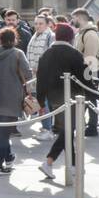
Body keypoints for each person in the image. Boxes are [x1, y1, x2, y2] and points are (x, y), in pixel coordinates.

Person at [35, 23, 86, 179]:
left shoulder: (46, 54)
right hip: (73, 98)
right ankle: (51, 162)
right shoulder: (75, 54)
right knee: (68, 130)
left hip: (53, 99)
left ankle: (70, 164)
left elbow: (40, 79)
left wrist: (41, 102)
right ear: (70, 37)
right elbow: (84, 79)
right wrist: (97, 95)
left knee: (67, 131)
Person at [0, 26, 32, 175]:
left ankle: (9, 158)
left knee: (2, 131)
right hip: (11, 97)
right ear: (14, 39)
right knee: (4, 133)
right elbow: (28, 75)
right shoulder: (18, 53)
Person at [71, 7, 99, 137]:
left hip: (87, 71)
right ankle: (85, 124)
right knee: (87, 98)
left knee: (90, 98)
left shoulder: (90, 34)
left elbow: (90, 56)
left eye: (73, 18)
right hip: (83, 71)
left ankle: (92, 126)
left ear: (79, 18)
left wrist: (85, 74)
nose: (72, 21)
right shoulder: (83, 33)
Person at [26, 14, 55, 134]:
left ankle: (47, 129)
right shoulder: (35, 36)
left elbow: (52, 56)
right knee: (42, 101)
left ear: (47, 24)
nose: (37, 26)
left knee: (44, 102)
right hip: (35, 75)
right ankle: (46, 126)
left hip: (46, 75)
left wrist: (42, 69)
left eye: (41, 23)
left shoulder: (50, 36)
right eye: (36, 23)